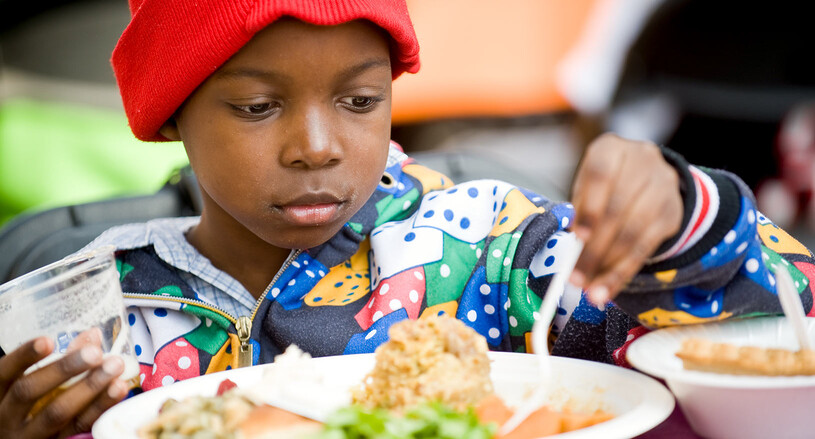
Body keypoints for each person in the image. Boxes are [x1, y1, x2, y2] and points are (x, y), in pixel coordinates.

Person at [1, 0, 813, 437]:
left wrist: (676, 222)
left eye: (360, 101)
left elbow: (784, 320)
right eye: (255, 106)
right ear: (172, 113)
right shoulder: (89, 300)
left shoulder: (489, 244)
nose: (317, 147)